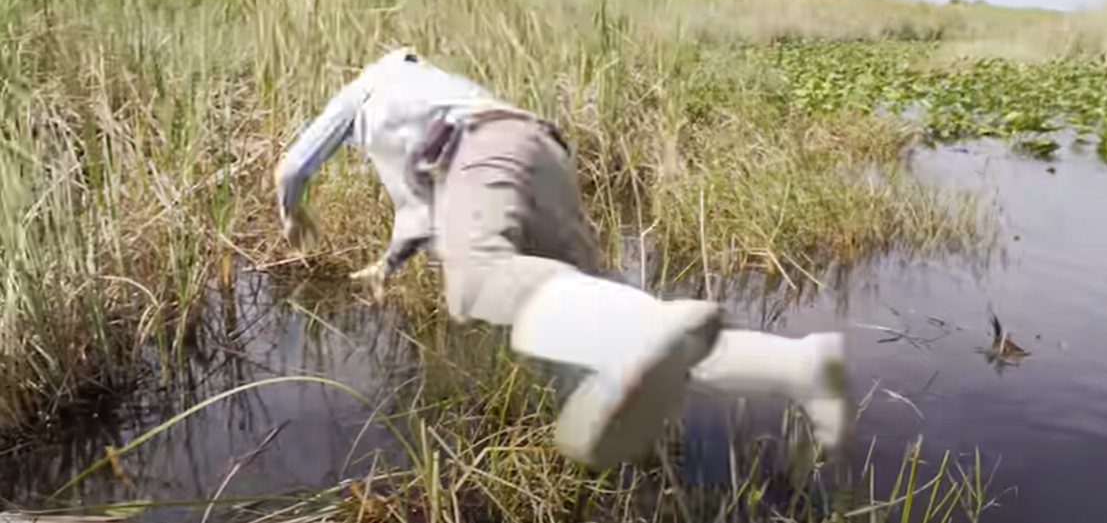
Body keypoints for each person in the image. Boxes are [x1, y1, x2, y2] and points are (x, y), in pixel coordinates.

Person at [274, 47, 851, 470]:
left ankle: (644, 359)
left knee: (474, 288)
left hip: (477, 149)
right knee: (604, 329)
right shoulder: (435, 89)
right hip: (543, 155)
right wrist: (387, 265)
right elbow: (429, 215)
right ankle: (795, 365)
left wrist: (293, 213)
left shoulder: (363, 93)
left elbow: (293, 167)